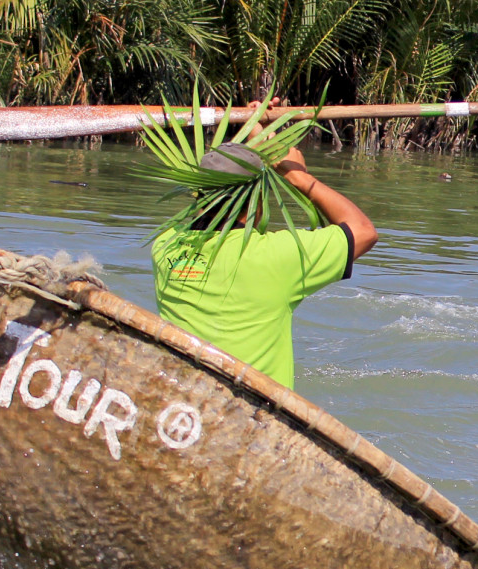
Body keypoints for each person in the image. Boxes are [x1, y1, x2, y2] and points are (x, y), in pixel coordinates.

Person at [153, 145, 376, 390]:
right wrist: (299, 177)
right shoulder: (278, 256)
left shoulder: (166, 246)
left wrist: (260, 132)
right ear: (257, 200)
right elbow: (363, 231)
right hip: (258, 415)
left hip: (191, 403)